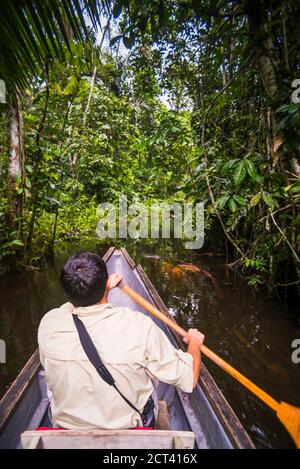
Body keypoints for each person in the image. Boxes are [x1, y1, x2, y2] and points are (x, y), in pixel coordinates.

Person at [38, 251, 205, 430]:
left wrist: (105, 286)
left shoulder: (49, 323)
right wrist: (194, 343)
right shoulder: (139, 326)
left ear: (67, 290)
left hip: (67, 426)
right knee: (151, 377)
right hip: (129, 425)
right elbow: (189, 378)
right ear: (107, 283)